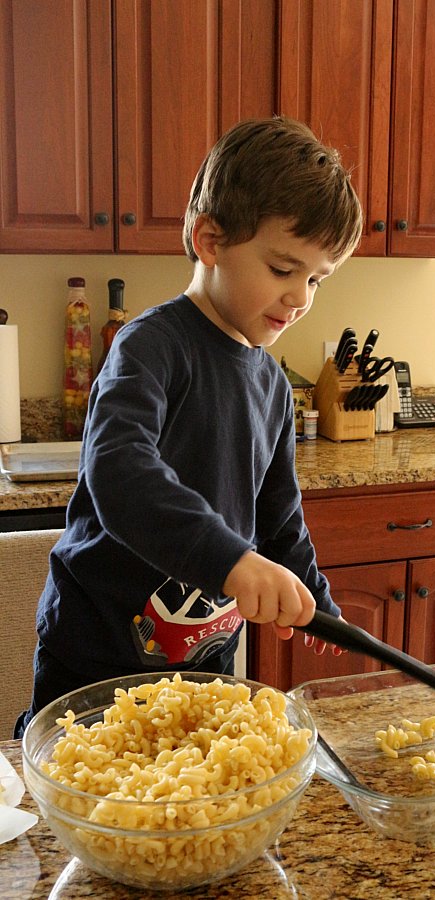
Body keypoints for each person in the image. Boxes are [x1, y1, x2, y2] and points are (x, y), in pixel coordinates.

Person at [15, 116, 363, 737]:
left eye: (316, 278)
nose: (302, 296)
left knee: (183, 815)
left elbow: (280, 521)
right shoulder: (150, 346)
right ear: (209, 239)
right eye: (284, 269)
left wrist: (318, 602)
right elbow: (120, 470)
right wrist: (233, 562)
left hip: (203, 670)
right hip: (94, 663)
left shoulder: (273, 385)